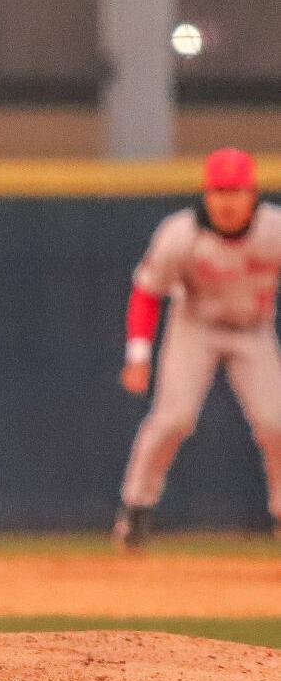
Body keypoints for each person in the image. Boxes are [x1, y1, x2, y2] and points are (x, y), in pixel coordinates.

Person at [115, 147, 281, 550]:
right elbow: (147, 292)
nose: (226, 201)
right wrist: (138, 355)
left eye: (235, 191)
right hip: (196, 327)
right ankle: (136, 509)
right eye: (218, 191)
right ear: (206, 194)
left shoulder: (274, 230)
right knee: (172, 419)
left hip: (252, 331)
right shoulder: (181, 235)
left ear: (253, 194)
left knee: (277, 423)